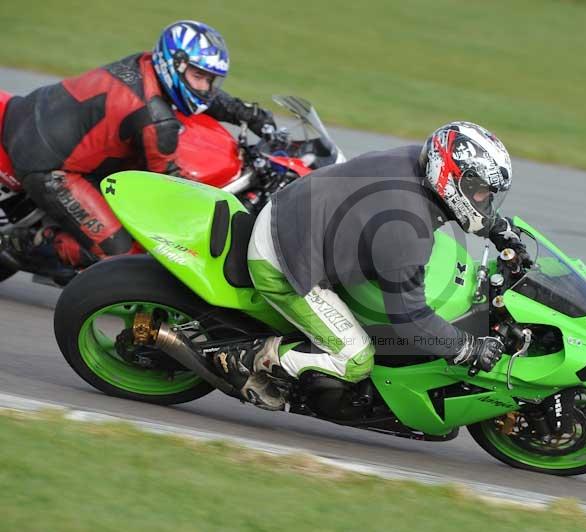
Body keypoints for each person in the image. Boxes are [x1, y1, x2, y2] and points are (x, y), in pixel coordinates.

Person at [211, 121, 532, 410]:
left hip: (295, 211)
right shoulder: (407, 231)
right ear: (451, 179)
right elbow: (410, 320)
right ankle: (251, 357)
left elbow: (463, 207)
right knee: (355, 358)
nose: (484, 202)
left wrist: (498, 228)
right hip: (282, 261)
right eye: (480, 193)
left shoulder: (416, 161)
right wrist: (467, 347)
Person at [1, 20, 275, 268]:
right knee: (121, 255)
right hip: (47, 165)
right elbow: (170, 189)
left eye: (209, 79)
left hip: (33, 112)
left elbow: (199, 94)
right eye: (199, 76)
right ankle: (27, 243)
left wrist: (248, 113)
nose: (205, 87)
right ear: (174, 64)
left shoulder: (145, 64)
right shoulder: (154, 120)